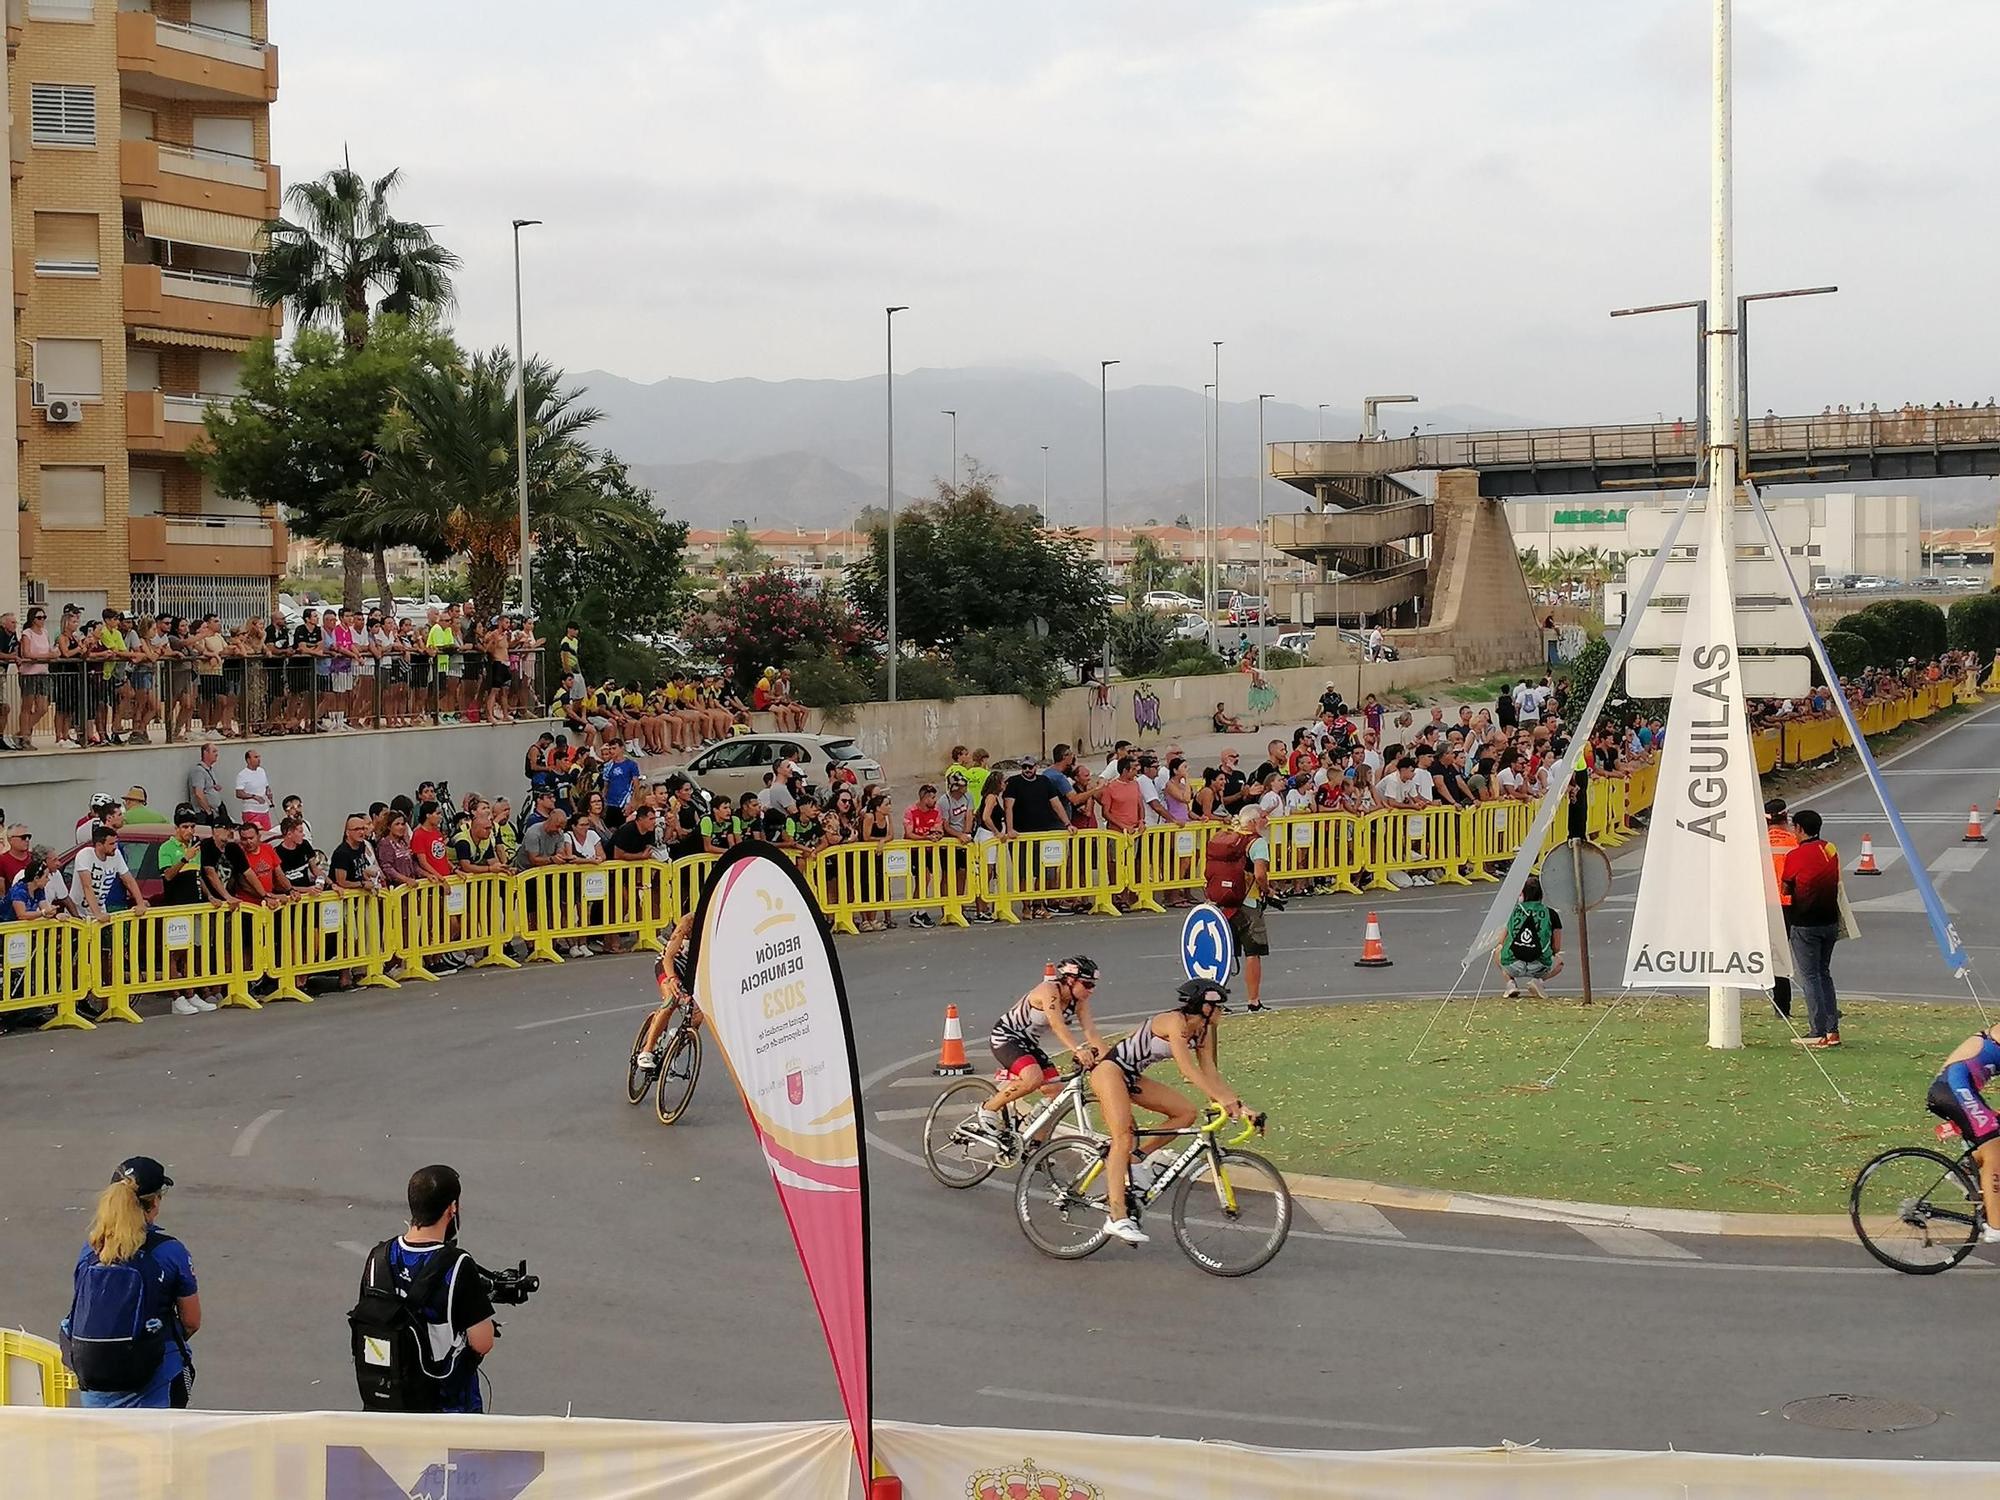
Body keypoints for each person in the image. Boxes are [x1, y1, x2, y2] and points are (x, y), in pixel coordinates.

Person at [1090, 979, 1245, 1245]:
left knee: (1186, 1113)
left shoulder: (1204, 1032)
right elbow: (1187, 1070)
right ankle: (1117, 1216)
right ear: (1205, 1007)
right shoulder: (1176, 1023)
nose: (1222, 1013)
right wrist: (1224, 1100)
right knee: (1123, 1137)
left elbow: (1210, 1073)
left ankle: (1138, 1160)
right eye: (1219, 1007)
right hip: (1110, 1071)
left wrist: (1238, 1106)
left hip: (1133, 1077)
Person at [352, 1165, 496, 1413]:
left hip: (386, 1403)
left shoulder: (378, 1258)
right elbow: (482, 1341)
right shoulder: (458, 1264)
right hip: (443, 1409)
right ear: (452, 1208)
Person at [64, 1156, 200, 1408]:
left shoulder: (92, 1248)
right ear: (155, 1202)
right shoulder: (169, 1251)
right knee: (161, 1444)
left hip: (96, 1383)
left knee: (105, 1446)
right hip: (156, 1382)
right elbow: (191, 1321)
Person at [963, 955, 1108, 1146]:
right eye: (1087, 984)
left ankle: (1035, 1147)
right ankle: (988, 1108)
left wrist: (1109, 1061)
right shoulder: (1049, 990)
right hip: (1007, 1037)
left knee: (1057, 1093)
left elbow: (1090, 1031)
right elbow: (1057, 1025)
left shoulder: (1078, 1000)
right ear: (1070, 979)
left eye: (1093, 985)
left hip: (1028, 1043)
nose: (1091, 990)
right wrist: (1078, 1050)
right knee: (1033, 1077)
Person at [1780, 807, 1845, 1047]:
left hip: (1805, 923)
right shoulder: (1830, 849)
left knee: (1810, 977)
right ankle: (1832, 1030)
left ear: (1799, 829)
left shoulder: (1795, 856)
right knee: (1823, 973)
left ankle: (1816, 1030)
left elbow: (1786, 888)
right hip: (1829, 921)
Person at [1928, 1031, 2000, 1244]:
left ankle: (1965, 1170)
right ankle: (1996, 1227)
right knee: (1995, 1150)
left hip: (1957, 1090)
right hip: (1953, 1090)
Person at [1203, 806, 1273, 1012]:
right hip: (1247, 903)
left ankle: (1216, 1000)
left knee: (1222, 953)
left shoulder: (1226, 839)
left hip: (1222, 903)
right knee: (1253, 952)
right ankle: (1253, 1001)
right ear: (1252, 822)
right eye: (1262, 817)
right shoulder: (1257, 842)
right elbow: (1260, 874)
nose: (1266, 820)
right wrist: (1267, 890)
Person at [631, 915, 699, 1074]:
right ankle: (647, 1051)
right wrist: (672, 978)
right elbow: (668, 957)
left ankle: (671, 1055)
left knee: (697, 1016)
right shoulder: (689, 922)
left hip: (691, 973)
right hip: (670, 966)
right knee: (672, 999)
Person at [1500, 875, 1564, 998]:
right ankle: (1538, 981)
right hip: (1540, 964)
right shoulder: (1551, 914)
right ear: (1541, 894)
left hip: (1513, 964)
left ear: (1522, 894)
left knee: (1498, 951)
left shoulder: (1513, 912)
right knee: (1559, 961)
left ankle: (1510, 984)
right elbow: (1556, 947)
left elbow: (1502, 940)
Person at [1765, 798, 1799, 1020]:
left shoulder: (1756, 841)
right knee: (1808, 958)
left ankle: (1781, 1006)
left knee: (1776, 957)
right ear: (1786, 817)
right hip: (1794, 904)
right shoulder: (1795, 840)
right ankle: (1821, 1003)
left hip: (1767, 905)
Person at [186, 742, 229, 833]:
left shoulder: (209, 769)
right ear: (205, 753)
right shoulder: (198, 771)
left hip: (216, 812)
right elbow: (198, 793)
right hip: (204, 815)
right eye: (214, 751)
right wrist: (208, 811)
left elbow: (207, 787)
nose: (216, 754)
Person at [234, 749, 274, 832]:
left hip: (264, 809)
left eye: (259, 757)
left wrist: (268, 792)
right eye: (255, 757)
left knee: (267, 834)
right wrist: (254, 796)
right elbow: (239, 793)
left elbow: (266, 786)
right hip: (251, 810)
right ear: (248, 760)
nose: (258, 759)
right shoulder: (242, 775)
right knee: (254, 833)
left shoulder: (261, 771)